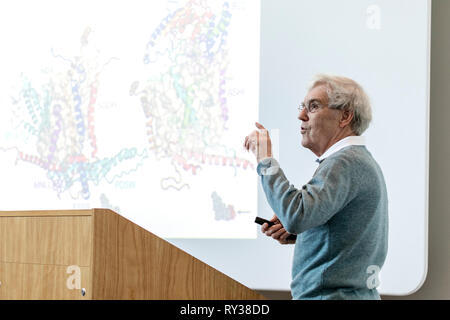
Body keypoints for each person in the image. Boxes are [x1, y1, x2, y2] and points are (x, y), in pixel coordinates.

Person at [243, 74, 388, 300]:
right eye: (303, 106)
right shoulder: (357, 160)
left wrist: (265, 160)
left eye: (313, 107)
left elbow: (296, 215)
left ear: (345, 116)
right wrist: (303, 234)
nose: (301, 115)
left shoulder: (344, 162)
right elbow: (344, 234)